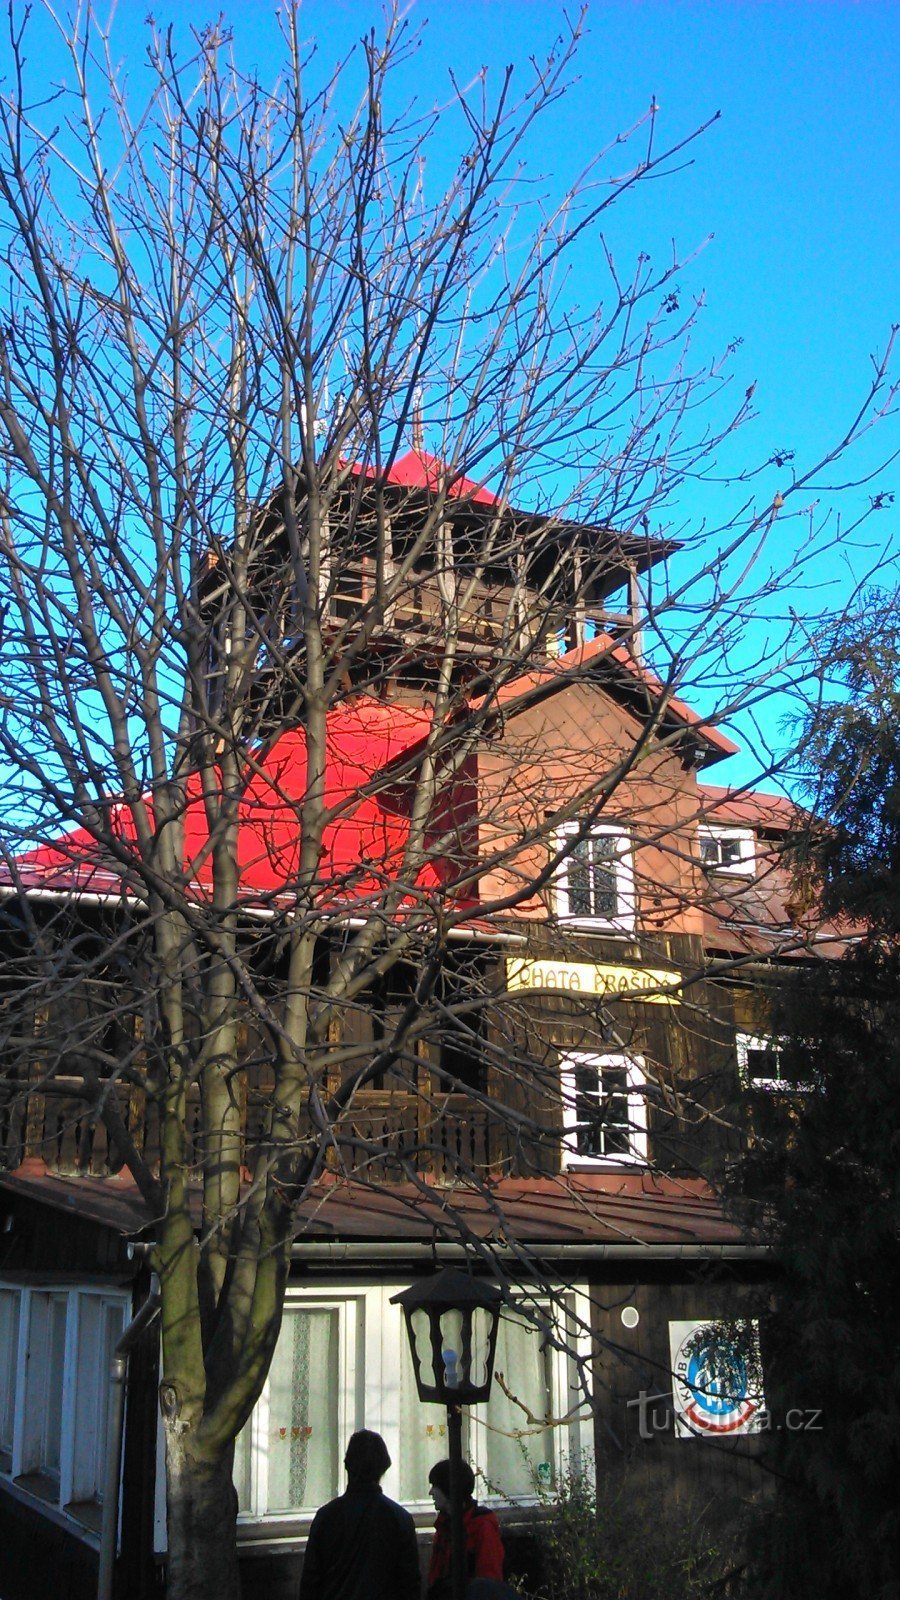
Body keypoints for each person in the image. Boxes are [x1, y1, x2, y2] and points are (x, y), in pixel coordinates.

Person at [299, 1429, 420, 1600]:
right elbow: (409, 1583)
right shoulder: (399, 1518)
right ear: (383, 1467)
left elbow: (311, 1582)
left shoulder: (326, 1516)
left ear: (347, 1465)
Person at [426, 1458, 505, 1600]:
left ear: (448, 1487)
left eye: (434, 1486)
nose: (430, 1492)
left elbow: (489, 1580)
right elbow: (435, 1576)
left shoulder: (481, 1525)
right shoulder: (445, 1525)